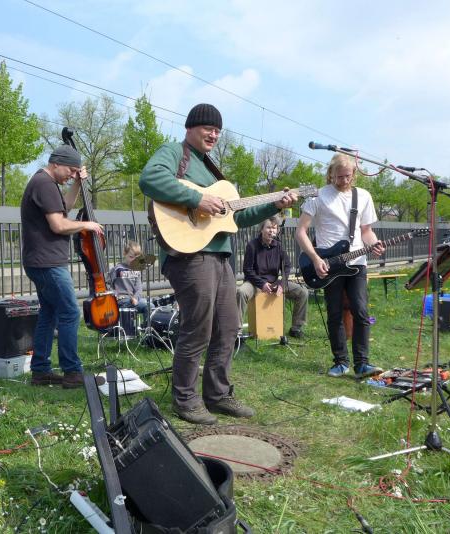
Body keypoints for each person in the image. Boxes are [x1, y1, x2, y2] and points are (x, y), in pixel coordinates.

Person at [140, 103, 297, 425]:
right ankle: (185, 399)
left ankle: (218, 394)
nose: (213, 134)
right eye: (207, 128)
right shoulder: (174, 153)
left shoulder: (213, 171)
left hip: (220, 256)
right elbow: (150, 179)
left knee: (228, 326)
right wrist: (197, 199)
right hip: (189, 256)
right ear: (190, 128)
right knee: (198, 328)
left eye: (217, 131)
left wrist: (274, 205)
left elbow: (236, 218)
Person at [20, 143, 105, 388]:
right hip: (48, 263)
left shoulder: (47, 184)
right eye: (70, 170)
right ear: (56, 163)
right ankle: (72, 372)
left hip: (41, 262)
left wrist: (77, 183)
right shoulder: (45, 184)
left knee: (49, 314)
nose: (71, 175)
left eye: (75, 172)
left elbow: (64, 208)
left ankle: (40, 371)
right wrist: (86, 225)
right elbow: (58, 224)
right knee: (70, 312)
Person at [295, 153, 384, 379]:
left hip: (356, 262)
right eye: (339, 176)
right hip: (329, 263)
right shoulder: (318, 196)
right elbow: (301, 232)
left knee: (361, 311)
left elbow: (366, 231)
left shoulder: (363, 196)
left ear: (354, 174)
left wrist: (373, 244)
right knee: (334, 313)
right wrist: (315, 259)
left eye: (348, 176)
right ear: (330, 174)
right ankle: (340, 362)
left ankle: (362, 364)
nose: (344, 180)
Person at [236, 216, 308, 338]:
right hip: (255, 283)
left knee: (303, 292)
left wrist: (281, 284)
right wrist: (262, 284)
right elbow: (247, 270)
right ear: (261, 229)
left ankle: (296, 328)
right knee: (241, 292)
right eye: (268, 227)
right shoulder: (252, 245)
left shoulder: (279, 245)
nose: (271, 231)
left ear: (277, 230)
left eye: (274, 228)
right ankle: (237, 331)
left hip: (274, 282)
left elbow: (286, 266)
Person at [108, 241, 149, 320]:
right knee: (129, 304)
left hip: (133, 300)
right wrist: (115, 295)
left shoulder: (137, 270)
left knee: (150, 306)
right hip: (121, 300)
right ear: (124, 254)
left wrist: (135, 298)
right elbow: (108, 284)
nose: (133, 260)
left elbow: (139, 288)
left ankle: (146, 327)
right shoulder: (117, 269)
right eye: (131, 257)